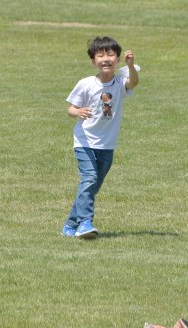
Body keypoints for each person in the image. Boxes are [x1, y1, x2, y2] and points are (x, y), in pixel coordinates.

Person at [61, 36, 140, 239]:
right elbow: (70, 108)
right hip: (84, 141)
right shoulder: (86, 84)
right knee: (89, 178)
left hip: (108, 144)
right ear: (93, 61)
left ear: (118, 59)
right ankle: (85, 223)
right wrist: (77, 113)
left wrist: (131, 66)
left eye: (111, 55)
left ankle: (71, 224)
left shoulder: (120, 82)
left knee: (92, 186)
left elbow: (134, 82)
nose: (106, 59)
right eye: (100, 55)